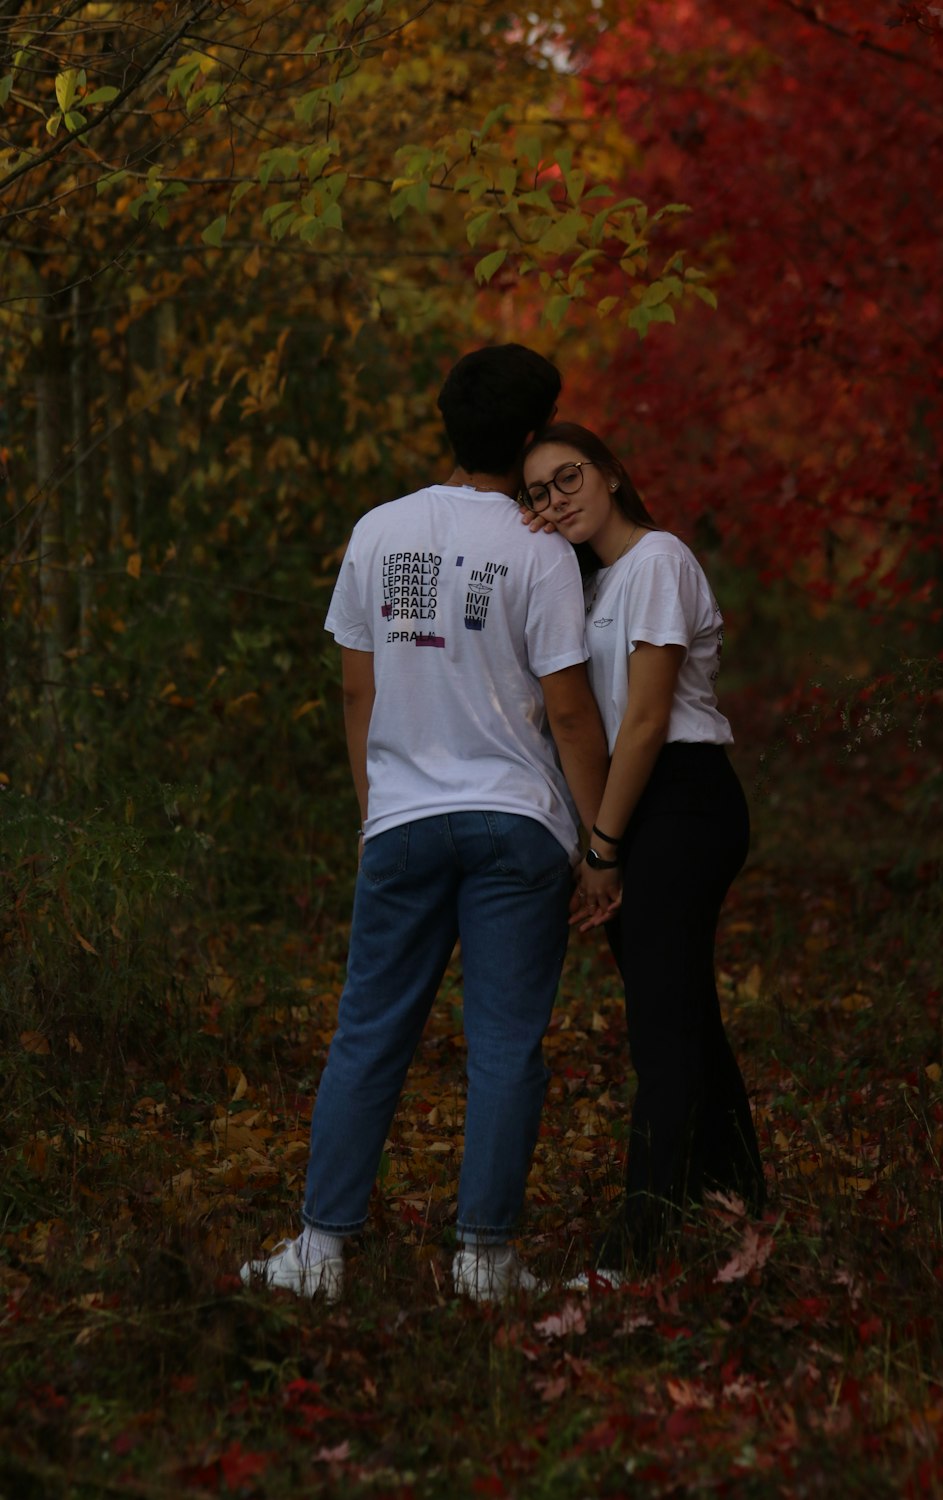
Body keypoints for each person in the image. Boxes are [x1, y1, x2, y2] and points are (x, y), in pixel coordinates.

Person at [241, 348, 609, 1302]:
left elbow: (358, 690)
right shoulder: (543, 550)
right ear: (532, 438)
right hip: (517, 826)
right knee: (503, 1045)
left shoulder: (378, 531)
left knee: (367, 1033)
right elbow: (569, 711)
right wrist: (603, 841)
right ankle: (484, 1260)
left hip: (402, 818)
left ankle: (321, 1252)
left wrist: (381, 814)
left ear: (447, 425)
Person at [519, 422, 765, 1280]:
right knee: (685, 1010)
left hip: (684, 799)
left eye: (569, 476)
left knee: (661, 1030)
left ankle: (634, 1249)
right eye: (541, 492)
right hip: (644, 802)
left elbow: (651, 719)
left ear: (614, 473)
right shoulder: (592, 586)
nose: (557, 499)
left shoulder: (657, 560)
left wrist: (605, 846)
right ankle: (741, 1200)